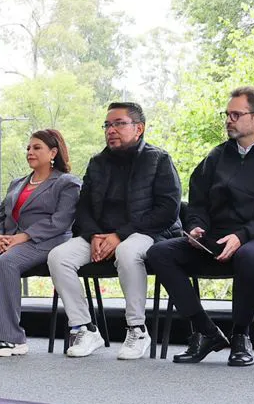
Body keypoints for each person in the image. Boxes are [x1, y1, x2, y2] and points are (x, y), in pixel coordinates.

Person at [145, 87, 254, 366]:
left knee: (249, 256)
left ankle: (241, 335)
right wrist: (195, 227)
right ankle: (205, 331)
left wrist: (242, 236)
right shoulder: (216, 156)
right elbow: (197, 202)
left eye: (236, 114)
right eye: (227, 114)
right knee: (159, 253)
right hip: (216, 237)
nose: (229, 120)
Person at [48, 102, 181, 360]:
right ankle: (85, 328)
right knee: (58, 257)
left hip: (147, 232)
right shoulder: (97, 163)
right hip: (101, 235)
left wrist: (120, 235)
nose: (111, 130)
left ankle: (137, 329)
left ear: (138, 128)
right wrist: (94, 235)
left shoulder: (159, 159)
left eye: (119, 123)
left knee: (128, 251)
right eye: (107, 125)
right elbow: (83, 206)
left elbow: (168, 209)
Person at [0, 129, 81, 357]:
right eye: (28, 148)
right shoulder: (17, 183)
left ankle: (9, 337)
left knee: (6, 263)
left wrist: (23, 236)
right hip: (9, 240)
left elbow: (61, 221)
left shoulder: (67, 183)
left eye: (37, 147)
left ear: (53, 152)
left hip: (45, 242)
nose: (30, 152)